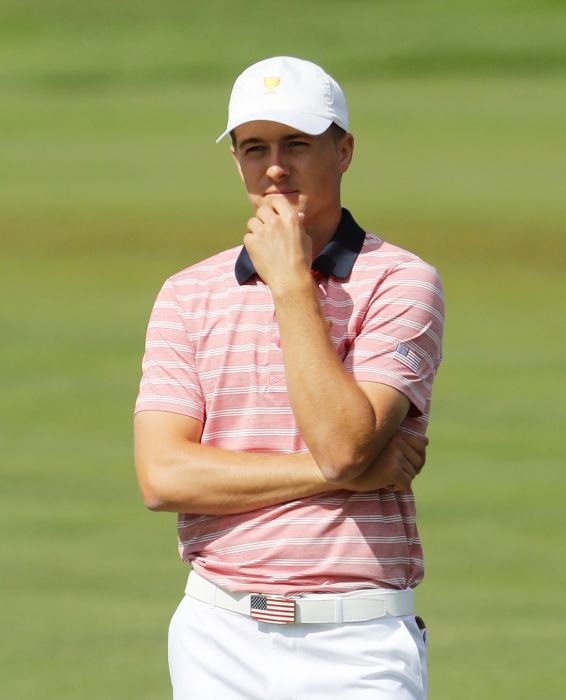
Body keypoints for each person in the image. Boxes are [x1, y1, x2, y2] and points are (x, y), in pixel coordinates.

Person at [134, 56, 444, 699]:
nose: (275, 167)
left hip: (357, 640)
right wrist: (348, 473)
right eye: (254, 148)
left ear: (344, 150)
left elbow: (342, 443)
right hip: (217, 634)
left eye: (296, 144)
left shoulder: (401, 281)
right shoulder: (187, 293)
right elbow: (164, 477)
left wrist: (291, 284)